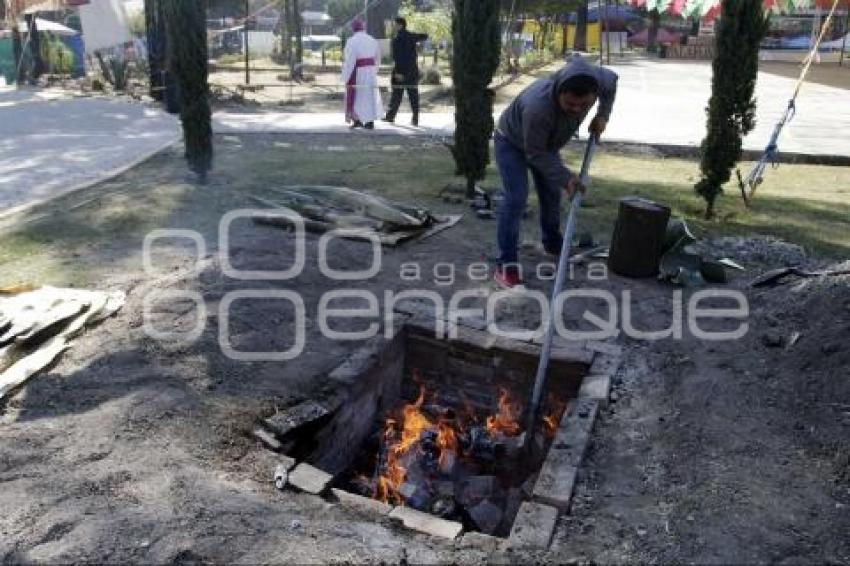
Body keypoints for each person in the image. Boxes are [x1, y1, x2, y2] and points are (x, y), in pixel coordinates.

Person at [493, 55, 618, 289]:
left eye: (584, 106)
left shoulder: (600, 80)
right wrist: (566, 178)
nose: (577, 110)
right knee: (516, 198)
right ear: (559, 92)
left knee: (551, 195)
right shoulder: (538, 108)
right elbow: (535, 154)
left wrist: (602, 115)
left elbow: (612, 81)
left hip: (545, 146)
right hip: (512, 142)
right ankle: (505, 265)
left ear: (594, 92)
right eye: (570, 105)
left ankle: (553, 244)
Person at [382, 17, 428, 126]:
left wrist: (398, 72)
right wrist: (418, 40)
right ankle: (415, 118)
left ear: (400, 25)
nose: (393, 26)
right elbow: (425, 36)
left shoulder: (396, 39)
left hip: (400, 71)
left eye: (395, 24)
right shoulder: (411, 36)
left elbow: (397, 58)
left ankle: (390, 116)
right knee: (413, 95)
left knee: (397, 94)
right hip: (412, 71)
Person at [341, 18, 382, 130]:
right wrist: (374, 71)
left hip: (357, 73)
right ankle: (370, 121)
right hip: (370, 72)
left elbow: (349, 60)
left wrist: (345, 76)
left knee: (358, 97)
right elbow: (378, 58)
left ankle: (357, 120)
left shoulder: (351, 41)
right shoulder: (372, 39)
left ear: (353, 29)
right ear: (363, 28)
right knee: (369, 97)